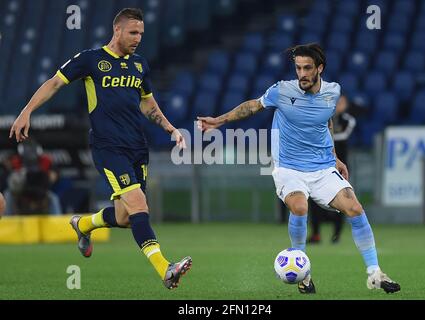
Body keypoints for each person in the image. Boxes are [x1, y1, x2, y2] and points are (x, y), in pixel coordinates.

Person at [9, 8, 191, 290]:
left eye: (141, 33)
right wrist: (26, 111)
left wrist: (169, 127)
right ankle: (165, 269)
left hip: (137, 147)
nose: (138, 38)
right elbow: (55, 82)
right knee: (139, 205)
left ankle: (82, 225)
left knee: (125, 217)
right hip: (108, 146)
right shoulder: (91, 60)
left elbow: (148, 103)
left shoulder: (140, 64)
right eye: (133, 32)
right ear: (116, 30)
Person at [197, 43, 400, 294]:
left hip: (322, 167)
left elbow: (324, 123)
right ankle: (304, 273)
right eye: (298, 68)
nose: (302, 74)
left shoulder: (333, 93)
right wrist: (219, 121)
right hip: (289, 167)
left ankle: (375, 273)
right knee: (300, 206)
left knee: (355, 208)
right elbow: (251, 106)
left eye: (307, 68)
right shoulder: (282, 90)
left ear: (319, 68)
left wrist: (335, 157)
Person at [307, 94, 356, 244]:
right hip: (320, 165)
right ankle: (315, 234)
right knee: (314, 201)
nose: (338, 105)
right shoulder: (322, 118)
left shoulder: (348, 120)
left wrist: (324, 135)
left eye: (341, 102)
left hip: (340, 167)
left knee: (342, 199)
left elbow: (342, 135)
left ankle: (337, 235)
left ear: (346, 104)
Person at [3, 138, 62, 216]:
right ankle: (7, 224)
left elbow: (54, 175)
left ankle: (57, 225)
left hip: (40, 191)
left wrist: (47, 179)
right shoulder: (14, 161)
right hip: (20, 191)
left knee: (53, 198)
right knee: (8, 195)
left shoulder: (46, 161)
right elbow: (10, 179)